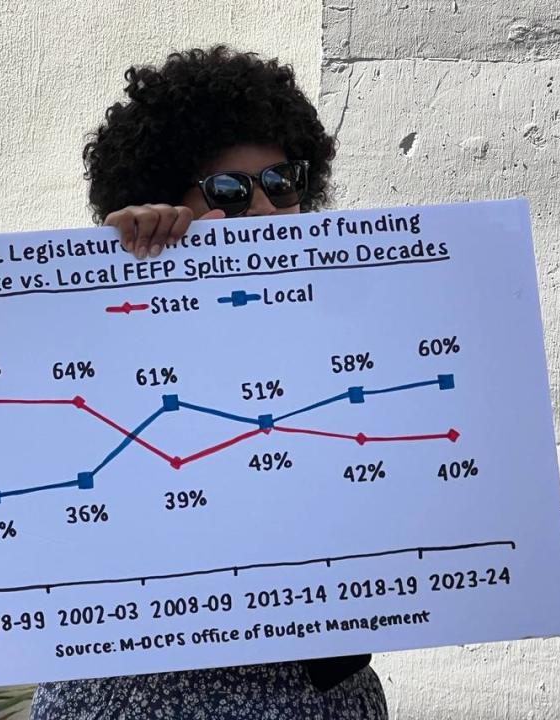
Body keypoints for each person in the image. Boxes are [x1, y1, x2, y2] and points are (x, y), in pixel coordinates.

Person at [30, 46, 387, 720]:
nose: (263, 209)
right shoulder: (101, 327)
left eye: (282, 183)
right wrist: (120, 269)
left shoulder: (353, 323)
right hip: (129, 698)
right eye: (228, 190)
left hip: (313, 697)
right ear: (165, 198)